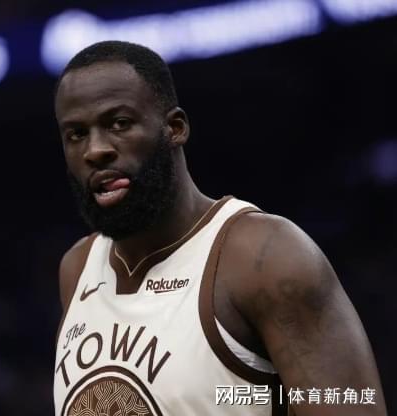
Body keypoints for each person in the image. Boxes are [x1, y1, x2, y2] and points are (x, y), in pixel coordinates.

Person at [52, 40, 386, 416]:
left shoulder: (264, 259)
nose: (95, 150)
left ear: (175, 128)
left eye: (119, 124)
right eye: (76, 134)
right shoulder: (77, 269)